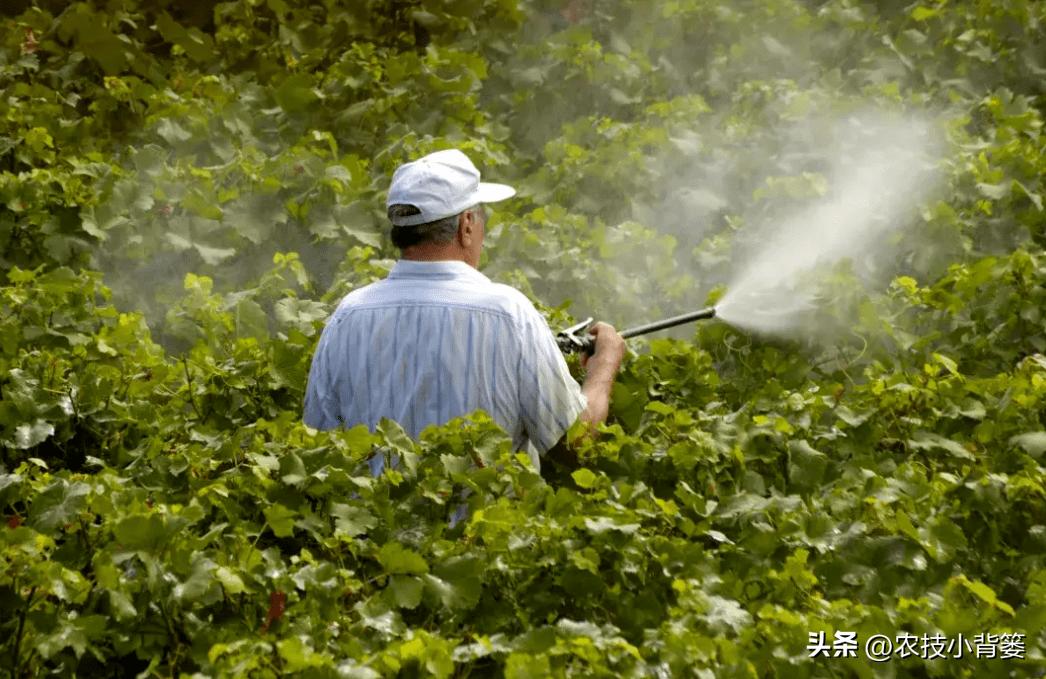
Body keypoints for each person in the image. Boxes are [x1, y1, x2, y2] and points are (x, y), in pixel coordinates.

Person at [303, 148, 625, 473]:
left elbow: (317, 450)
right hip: (485, 525)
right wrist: (604, 364)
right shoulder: (509, 314)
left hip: (374, 524)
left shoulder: (347, 316)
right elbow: (575, 446)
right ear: (466, 225)